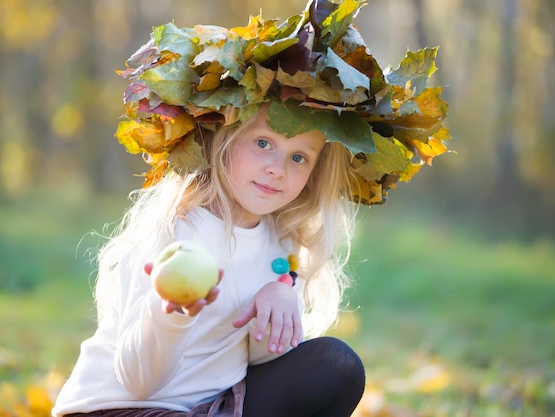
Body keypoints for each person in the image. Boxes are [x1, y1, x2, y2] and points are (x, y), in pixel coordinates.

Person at [52, 1, 449, 416]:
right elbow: (137, 382)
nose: (277, 169)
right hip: (122, 410)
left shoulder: (279, 249)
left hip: (212, 408)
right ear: (225, 139)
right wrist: (170, 314)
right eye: (263, 143)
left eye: (299, 158)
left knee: (337, 366)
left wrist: (274, 309)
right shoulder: (175, 233)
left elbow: (252, 366)